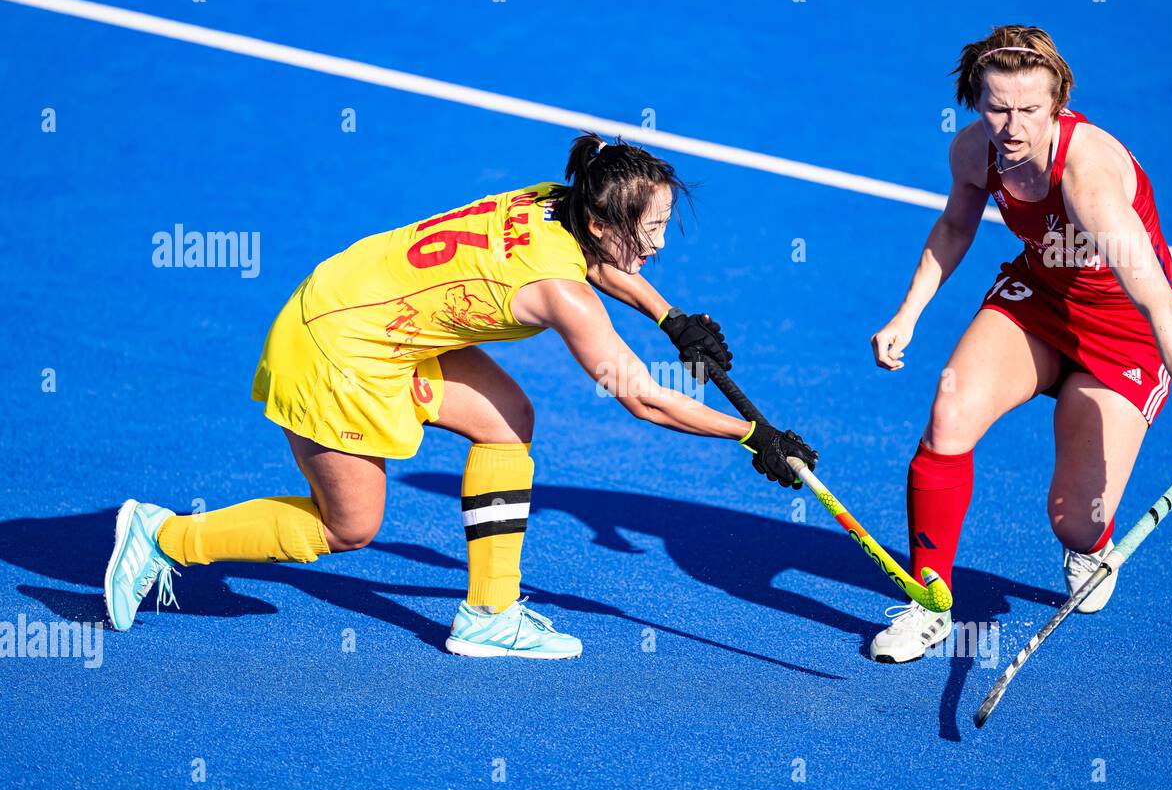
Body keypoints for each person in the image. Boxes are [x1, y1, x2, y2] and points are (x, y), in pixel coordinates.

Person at [104, 133, 818, 659]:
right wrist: (751, 435)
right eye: (651, 229)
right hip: (337, 350)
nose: (659, 244)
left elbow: (601, 263)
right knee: (349, 528)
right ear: (603, 221)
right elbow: (641, 397)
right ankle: (165, 537)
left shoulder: (558, 199)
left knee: (509, 420)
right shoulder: (560, 294)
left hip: (365, 303)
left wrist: (669, 318)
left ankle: (487, 613)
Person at [868, 26, 1172, 663]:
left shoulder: (1088, 180)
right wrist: (908, 314)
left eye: (1030, 109)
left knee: (1076, 519)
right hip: (1038, 303)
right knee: (948, 416)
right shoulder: (973, 151)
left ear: (1058, 103)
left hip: (1122, 332)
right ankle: (930, 605)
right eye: (997, 106)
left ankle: (1089, 548)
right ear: (974, 99)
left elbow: (1154, 301)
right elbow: (957, 224)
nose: (1012, 125)